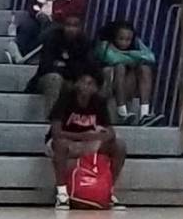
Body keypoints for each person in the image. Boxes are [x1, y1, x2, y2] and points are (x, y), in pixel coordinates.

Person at [48, 69, 126, 210]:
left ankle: (108, 190)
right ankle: (62, 193)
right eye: (82, 82)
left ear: (96, 88)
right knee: (60, 145)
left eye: (90, 84)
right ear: (76, 83)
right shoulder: (66, 98)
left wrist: (101, 136)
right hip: (66, 141)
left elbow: (111, 132)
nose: (85, 86)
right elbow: (56, 132)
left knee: (119, 146)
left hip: (88, 143)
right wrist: (85, 136)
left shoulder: (99, 102)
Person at [27, 14, 94, 118]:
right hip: (46, 78)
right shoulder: (52, 38)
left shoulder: (84, 43)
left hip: (71, 80)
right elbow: (46, 66)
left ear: (81, 28)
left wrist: (65, 67)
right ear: (62, 26)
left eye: (75, 25)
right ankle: (52, 121)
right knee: (54, 78)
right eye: (68, 25)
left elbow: (88, 67)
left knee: (86, 83)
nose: (71, 29)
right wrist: (70, 69)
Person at [95, 20, 161, 126]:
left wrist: (124, 53)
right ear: (114, 37)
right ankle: (122, 112)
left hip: (130, 83)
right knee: (120, 66)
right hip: (111, 83)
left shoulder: (136, 43)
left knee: (145, 68)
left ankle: (144, 114)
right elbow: (113, 59)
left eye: (128, 39)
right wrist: (135, 58)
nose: (125, 43)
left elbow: (151, 58)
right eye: (121, 39)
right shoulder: (105, 44)